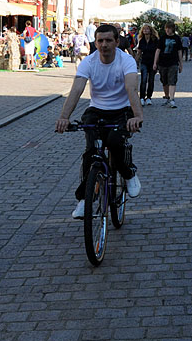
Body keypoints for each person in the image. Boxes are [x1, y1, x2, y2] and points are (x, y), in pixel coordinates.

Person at [54, 24, 143, 219]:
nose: (104, 45)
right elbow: (76, 90)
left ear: (117, 42)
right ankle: (85, 200)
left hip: (121, 110)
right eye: (100, 41)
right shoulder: (89, 62)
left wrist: (137, 116)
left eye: (108, 40)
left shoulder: (126, 61)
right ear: (95, 42)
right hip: (97, 110)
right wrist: (64, 117)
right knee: (91, 153)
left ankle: (128, 174)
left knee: (114, 143)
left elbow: (131, 88)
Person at [156, 21, 184, 108]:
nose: (167, 30)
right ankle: (167, 96)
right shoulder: (162, 38)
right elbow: (158, 50)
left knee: (172, 80)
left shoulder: (177, 38)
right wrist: (155, 62)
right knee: (164, 81)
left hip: (173, 62)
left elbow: (180, 51)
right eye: (166, 28)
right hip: (162, 62)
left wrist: (181, 63)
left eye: (169, 28)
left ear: (173, 29)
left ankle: (172, 99)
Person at [135, 23, 160, 105]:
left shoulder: (155, 40)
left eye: (147, 29)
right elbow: (139, 52)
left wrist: (156, 63)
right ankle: (142, 97)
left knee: (151, 80)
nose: (145, 30)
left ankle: (149, 97)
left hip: (153, 62)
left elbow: (158, 51)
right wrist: (135, 62)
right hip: (144, 62)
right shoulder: (141, 40)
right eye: (144, 29)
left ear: (150, 30)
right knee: (144, 79)